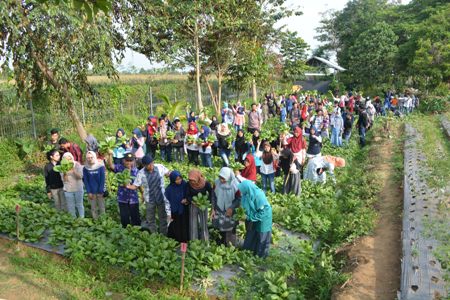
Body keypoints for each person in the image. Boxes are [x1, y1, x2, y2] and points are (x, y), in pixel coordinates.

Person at [127, 155, 171, 235]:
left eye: (152, 163)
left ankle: (164, 235)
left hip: (161, 197)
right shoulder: (141, 173)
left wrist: (173, 177)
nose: (151, 166)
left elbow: (168, 174)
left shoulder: (159, 167)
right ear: (144, 165)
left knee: (163, 218)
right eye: (148, 165)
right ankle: (154, 235)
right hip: (149, 199)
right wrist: (128, 186)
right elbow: (135, 185)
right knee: (150, 219)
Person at [238, 180, 272, 258]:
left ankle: (261, 255)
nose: (241, 192)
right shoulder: (246, 194)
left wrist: (250, 217)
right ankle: (250, 251)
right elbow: (243, 205)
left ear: (247, 188)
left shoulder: (258, 195)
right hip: (253, 214)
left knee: (261, 234)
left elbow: (263, 211)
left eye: (242, 190)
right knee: (251, 232)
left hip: (264, 217)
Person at [106, 152, 141, 228]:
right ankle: (126, 232)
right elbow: (111, 165)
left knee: (136, 218)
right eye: (127, 160)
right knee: (124, 218)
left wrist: (142, 194)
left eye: (130, 160)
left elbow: (139, 185)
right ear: (123, 160)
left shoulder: (137, 171)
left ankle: (137, 233)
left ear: (134, 161)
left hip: (133, 199)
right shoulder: (120, 168)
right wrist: (110, 155)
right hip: (122, 198)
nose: (129, 162)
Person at [212, 167, 241, 246]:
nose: (221, 180)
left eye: (224, 178)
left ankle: (230, 245)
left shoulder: (236, 185)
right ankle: (221, 243)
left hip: (231, 210)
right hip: (219, 208)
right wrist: (213, 209)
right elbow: (213, 196)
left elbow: (239, 198)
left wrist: (232, 207)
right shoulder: (216, 183)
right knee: (220, 228)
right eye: (220, 178)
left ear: (228, 177)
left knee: (231, 228)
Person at [187, 169, 213, 241]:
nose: (192, 182)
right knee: (193, 223)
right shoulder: (188, 184)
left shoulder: (205, 183)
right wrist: (192, 201)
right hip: (193, 205)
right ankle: (194, 241)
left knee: (204, 223)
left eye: (193, 180)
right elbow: (187, 195)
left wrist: (207, 201)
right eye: (190, 180)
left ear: (198, 178)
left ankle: (205, 241)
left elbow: (211, 192)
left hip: (203, 205)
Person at [165, 171, 189, 243]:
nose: (179, 181)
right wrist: (169, 214)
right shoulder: (169, 189)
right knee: (176, 227)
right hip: (174, 212)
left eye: (180, 178)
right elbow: (167, 202)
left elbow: (189, 194)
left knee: (184, 226)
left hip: (184, 209)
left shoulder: (184, 184)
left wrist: (187, 200)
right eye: (176, 179)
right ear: (172, 180)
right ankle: (175, 242)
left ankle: (185, 241)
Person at [83, 151, 106, 220]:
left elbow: (102, 180)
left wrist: (100, 191)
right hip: (91, 192)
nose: (90, 159)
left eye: (91, 157)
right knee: (93, 207)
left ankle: (103, 220)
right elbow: (86, 181)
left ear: (95, 157)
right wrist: (89, 192)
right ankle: (95, 220)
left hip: (100, 191)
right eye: (88, 158)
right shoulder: (85, 168)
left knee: (101, 206)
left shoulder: (100, 167)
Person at [61, 152, 84, 218]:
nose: (69, 160)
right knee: (70, 206)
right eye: (67, 159)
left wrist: (73, 170)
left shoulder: (77, 164)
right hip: (68, 189)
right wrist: (65, 172)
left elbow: (80, 176)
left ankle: (82, 219)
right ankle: (73, 219)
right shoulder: (62, 167)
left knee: (79, 204)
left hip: (78, 188)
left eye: (70, 158)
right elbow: (64, 180)